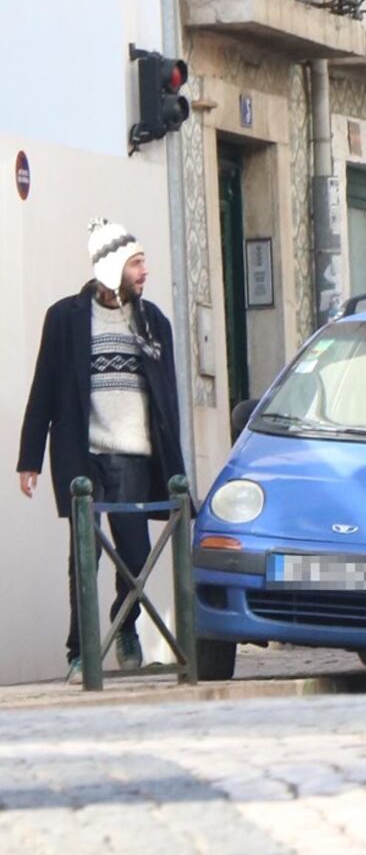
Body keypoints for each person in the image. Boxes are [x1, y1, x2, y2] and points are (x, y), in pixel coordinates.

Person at [17, 219, 185, 681]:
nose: (144, 272)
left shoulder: (155, 323)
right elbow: (44, 388)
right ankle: (79, 651)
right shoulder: (65, 318)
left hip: (135, 455)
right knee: (84, 557)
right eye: (135, 263)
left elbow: (167, 401)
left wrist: (177, 468)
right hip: (84, 455)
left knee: (135, 553)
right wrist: (29, 458)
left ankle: (125, 625)